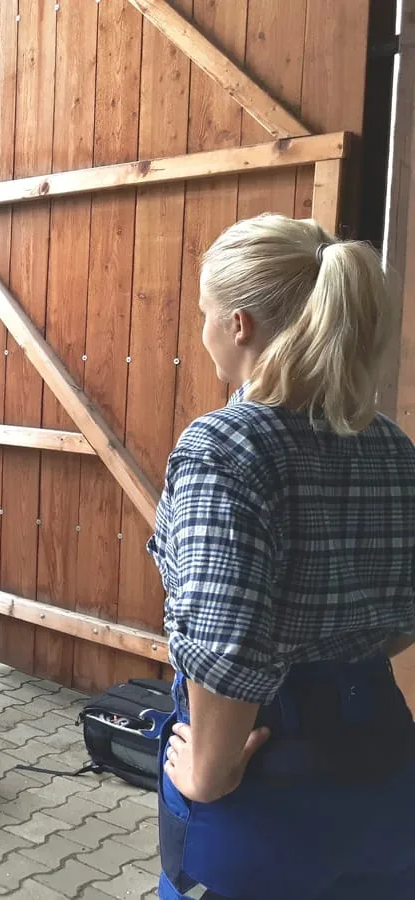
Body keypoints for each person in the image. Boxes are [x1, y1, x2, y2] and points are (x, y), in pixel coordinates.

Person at [147, 213, 415, 899]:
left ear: (238, 324)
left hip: (265, 790)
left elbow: (225, 646)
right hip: (386, 779)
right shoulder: (392, 447)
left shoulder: (224, 448)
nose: (202, 332)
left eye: (203, 315)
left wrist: (208, 771)